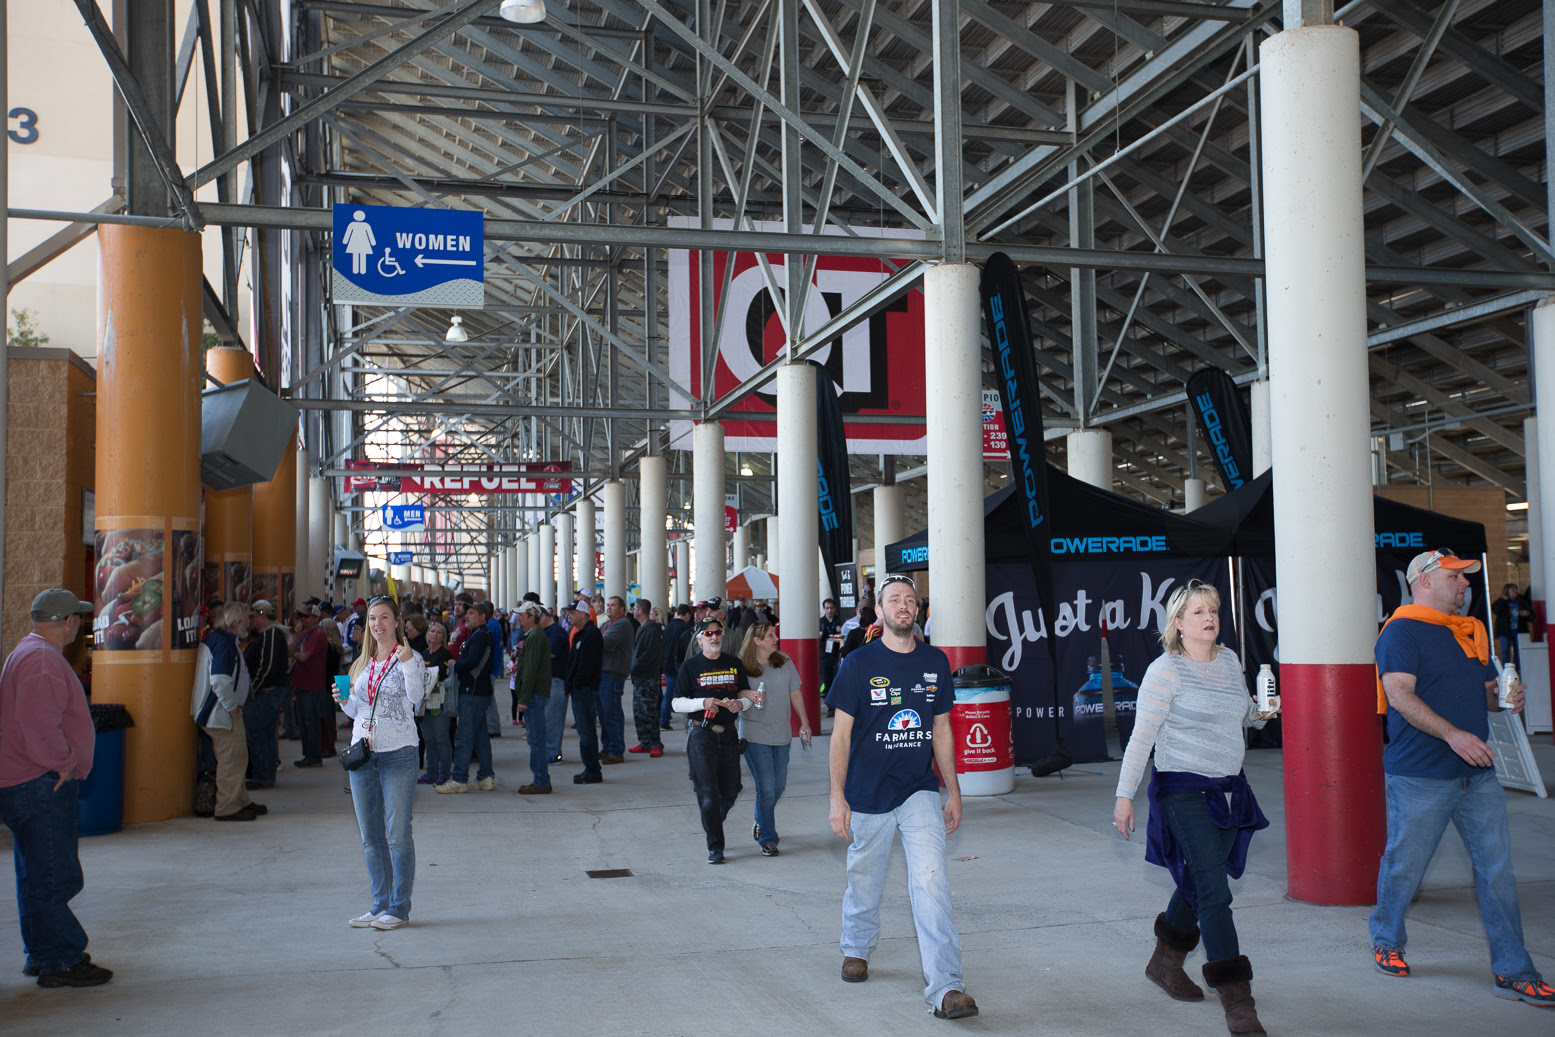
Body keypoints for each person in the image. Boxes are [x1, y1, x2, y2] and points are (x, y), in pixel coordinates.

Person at [1370, 549, 1553, 1007]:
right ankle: (1387, 941)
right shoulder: (1401, 631)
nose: (1466, 585)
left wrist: (1506, 699)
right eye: (1456, 578)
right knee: (1404, 865)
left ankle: (1513, 971)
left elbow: (1488, 696)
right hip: (1420, 775)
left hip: (1478, 774)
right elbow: (1400, 696)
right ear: (1425, 581)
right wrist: (1453, 735)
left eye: (1467, 579)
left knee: (1497, 874)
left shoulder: (1469, 632)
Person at [1112, 579, 1275, 1035]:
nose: (1209, 618)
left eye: (1214, 611)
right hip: (1183, 790)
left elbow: (1242, 713)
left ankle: (1165, 962)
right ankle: (1238, 1000)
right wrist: (1124, 796)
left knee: (1200, 881)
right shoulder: (1165, 671)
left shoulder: (1228, 660)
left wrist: (1262, 712)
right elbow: (1141, 737)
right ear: (1178, 624)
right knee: (1214, 891)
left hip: (1229, 791)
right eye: (1199, 612)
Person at [826, 573, 977, 1020]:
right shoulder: (857, 663)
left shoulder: (935, 661)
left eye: (910, 600)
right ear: (880, 611)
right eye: (895, 600)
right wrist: (837, 796)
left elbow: (942, 728)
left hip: (918, 791)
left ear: (918, 609)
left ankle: (947, 987)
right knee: (865, 880)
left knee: (930, 882)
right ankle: (856, 946)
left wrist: (952, 789)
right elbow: (840, 735)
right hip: (867, 794)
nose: (904, 606)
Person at [0, 590, 114, 989]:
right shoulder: (43, 661)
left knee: (35, 874)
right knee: (53, 875)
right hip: (40, 783)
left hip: (25, 781)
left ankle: (44, 954)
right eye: (78, 620)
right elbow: (39, 727)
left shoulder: (28, 653)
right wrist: (65, 763)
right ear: (67, 622)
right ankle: (62, 960)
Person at [341, 596, 425, 931]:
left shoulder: (410, 657)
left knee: (397, 835)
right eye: (373, 619)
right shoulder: (362, 663)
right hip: (363, 754)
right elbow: (358, 711)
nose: (378, 624)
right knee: (370, 835)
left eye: (385, 617)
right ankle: (380, 903)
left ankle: (399, 907)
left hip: (399, 754)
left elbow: (416, 699)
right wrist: (344, 700)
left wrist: (406, 663)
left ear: (397, 621)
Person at [671, 618, 751, 864]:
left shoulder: (734, 664)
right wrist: (702, 703)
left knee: (732, 789)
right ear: (699, 639)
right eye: (708, 634)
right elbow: (676, 703)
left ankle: (712, 822)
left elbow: (743, 694)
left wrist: (742, 703)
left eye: (718, 633)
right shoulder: (690, 667)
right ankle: (715, 846)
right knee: (707, 794)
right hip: (701, 736)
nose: (714, 637)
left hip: (728, 734)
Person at [737, 622, 813, 856]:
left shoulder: (784, 661)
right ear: (757, 641)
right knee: (767, 789)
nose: (775, 638)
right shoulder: (741, 666)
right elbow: (733, 693)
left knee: (778, 786)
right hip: (754, 733)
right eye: (770, 635)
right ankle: (768, 839)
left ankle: (761, 819)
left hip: (782, 735)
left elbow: (795, 692)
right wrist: (744, 693)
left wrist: (805, 722)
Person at [195, 602, 266, 822]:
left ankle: (240, 800)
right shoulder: (224, 644)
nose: (249, 621)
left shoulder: (220, 640)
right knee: (231, 761)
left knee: (237, 759)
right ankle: (227, 807)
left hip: (220, 713)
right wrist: (233, 707)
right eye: (246, 617)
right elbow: (220, 681)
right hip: (222, 714)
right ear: (234, 621)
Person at [444, 601, 498, 793]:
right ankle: (485, 776)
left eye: (472, 613)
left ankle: (459, 779)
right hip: (479, 691)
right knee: (480, 736)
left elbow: (473, 661)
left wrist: (454, 665)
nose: (467, 616)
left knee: (464, 736)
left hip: (473, 691)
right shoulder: (481, 635)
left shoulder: (480, 636)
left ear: (483, 616)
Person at [243, 599, 289, 788]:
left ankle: (263, 775)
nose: (251, 621)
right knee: (266, 734)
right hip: (266, 693)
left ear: (262, 615)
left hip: (265, 694)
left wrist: (253, 688)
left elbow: (266, 667)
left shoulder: (270, 635)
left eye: (253, 616)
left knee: (258, 734)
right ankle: (266, 774)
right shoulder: (268, 635)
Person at [512, 602, 554, 794]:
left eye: (521, 615)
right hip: (535, 695)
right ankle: (540, 779)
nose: (518, 618)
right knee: (536, 739)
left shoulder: (535, 637)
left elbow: (530, 670)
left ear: (531, 617)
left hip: (535, 696)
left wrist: (523, 698)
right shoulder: (534, 636)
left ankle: (541, 780)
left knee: (536, 740)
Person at [565, 598, 606, 784]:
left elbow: (586, 666)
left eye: (572, 613)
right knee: (584, 731)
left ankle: (592, 770)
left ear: (583, 614)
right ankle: (590, 768)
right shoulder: (582, 634)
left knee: (587, 731)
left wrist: (575, 683)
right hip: (580, 689)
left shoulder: (591, 634)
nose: (569, 616)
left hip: (585, 690)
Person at [290, 604, 331, 768]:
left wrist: (292, 653)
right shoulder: (304, 634)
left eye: (306, 617)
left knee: (310, 721)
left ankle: (314, 755)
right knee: (303, 721)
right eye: (301, 617)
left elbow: (303, 656)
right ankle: (308, 753)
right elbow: (291, 651)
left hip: (312, 685)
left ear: (316, 618)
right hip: (301, 683)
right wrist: (295, 635)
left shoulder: (318, 634)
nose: (302, 620)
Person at [598, 595, 633, 764]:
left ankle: (616, 750)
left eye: (613, 605)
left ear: (621, 609)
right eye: (608, 605)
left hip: (613, 673)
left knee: (612, 713)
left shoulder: (622, 624)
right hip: (603, 672)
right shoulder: (607, 624)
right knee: (604, 713)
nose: (609, 608)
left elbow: (603, 643)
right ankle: (607, 747)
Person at [627, 598, 665, 756]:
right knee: (639, 712)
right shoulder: (644, 628)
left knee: (649, 712)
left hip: (648, 679)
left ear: (640, 611)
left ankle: (655, 743)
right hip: (640, 678)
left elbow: (648, 655)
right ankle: (645, 742)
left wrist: (635, 667)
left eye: (635, 608)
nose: (633, 611)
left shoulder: (651, 629)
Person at [421, 622, 455, 787]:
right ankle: (431, 771)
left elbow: (446, 674)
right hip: (424, 701)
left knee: (442, 737)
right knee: (428, 738)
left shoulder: (445, 655)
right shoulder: (423, 655)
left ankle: (444, 772)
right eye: (432, 631)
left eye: (438, 632)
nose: (434, 634)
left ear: (443, 637)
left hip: (439, 700)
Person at [540, 606, 571, 763]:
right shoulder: (543, 632)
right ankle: (548, 751)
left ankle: (552, 753)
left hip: (556, 681)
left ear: (544, 616)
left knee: (553, 720)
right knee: (545, 719)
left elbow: (549, 653)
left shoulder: (557, 632)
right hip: (547, 681)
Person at [660, 604, 693, 731]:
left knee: (668, 693)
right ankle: (664, 719)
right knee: (677, 694)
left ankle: (664, 718)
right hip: (679, 665)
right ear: (687, 615)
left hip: (667, 663)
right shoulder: (685, 629)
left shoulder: (668, 627)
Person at [1489, 583, 1530, 669]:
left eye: (1516, 589)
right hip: (1505, 630)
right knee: (1505, 651)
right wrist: (1502, 600)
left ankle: (1517, 669)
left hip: (1518, 630)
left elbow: (1531, 612)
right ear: (1507, 591)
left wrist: (1527, 613)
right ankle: (1506, 669)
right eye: (1513, 590)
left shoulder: (1521, 601)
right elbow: (1495, 610)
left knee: (1518, 651)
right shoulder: (1502, 601)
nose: (1515, 591)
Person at [820, 598, 844, 693]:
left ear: (835, 608)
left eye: (831, 608)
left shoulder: (839, 620)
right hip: (824, 655)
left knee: (839, 678)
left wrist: (841, 631)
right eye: (827, 608)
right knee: (827, 679)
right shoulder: (820, 621)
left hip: (836, 655)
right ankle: (828, 701)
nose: (829, 610)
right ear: (824, 609)